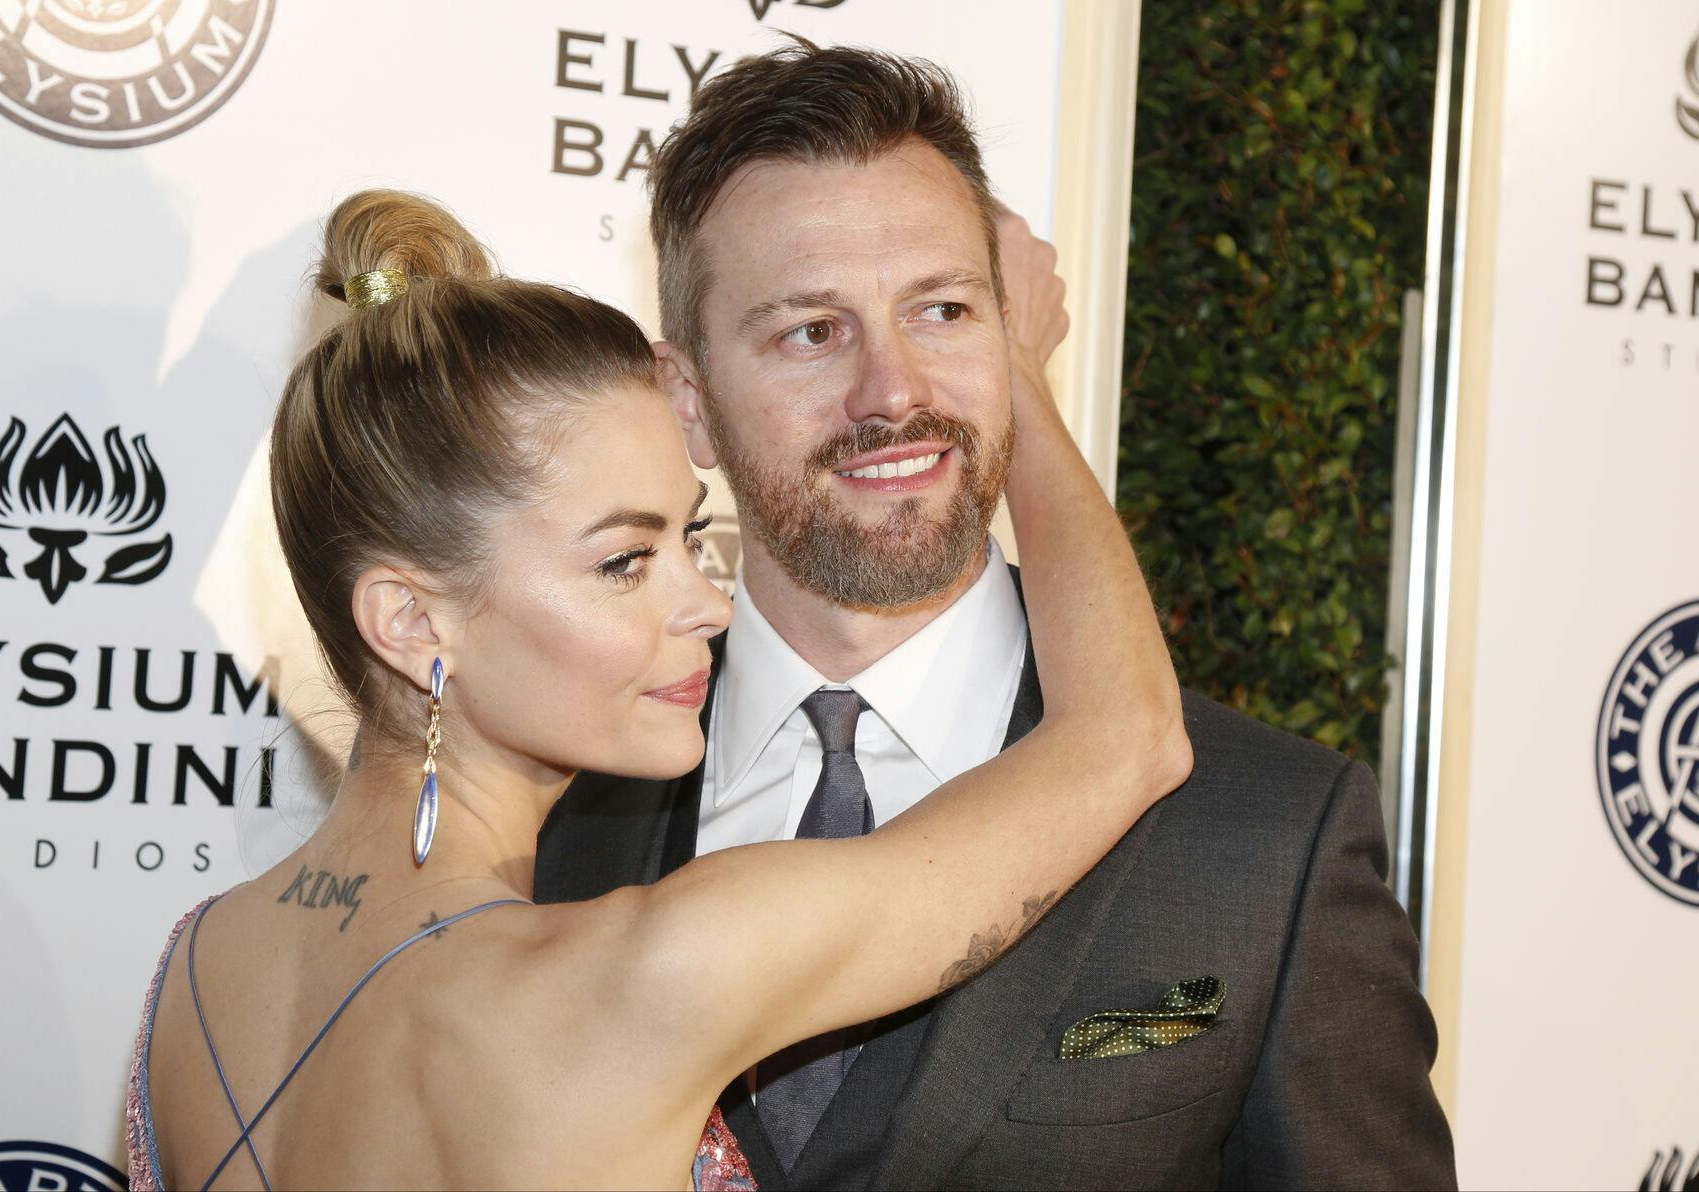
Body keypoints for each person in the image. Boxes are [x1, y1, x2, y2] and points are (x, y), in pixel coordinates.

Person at [125, 185, 1187, 1189]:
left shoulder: (195, 967)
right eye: (625, 562)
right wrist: (1015, 372)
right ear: (411, 621)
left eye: (690, 536)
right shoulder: (653, 973)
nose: (708, 607)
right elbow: (1129, 737)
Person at [535, 41, 1459, 1191]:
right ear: (691, 401)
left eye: (944, 309)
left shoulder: (1268, 834)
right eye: (811, 332)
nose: (894, 392)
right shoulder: (549, 809)